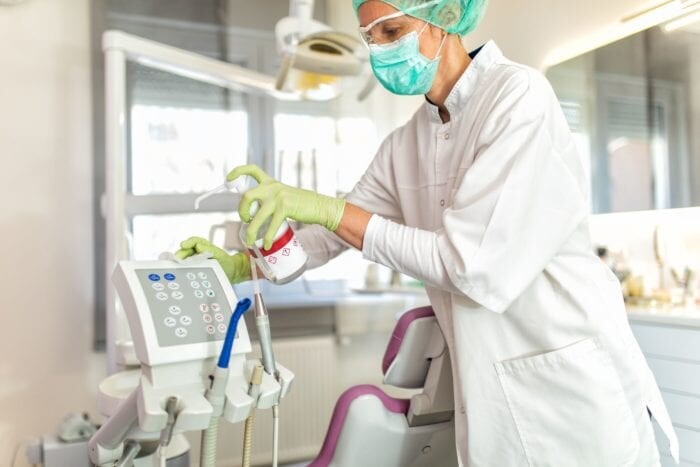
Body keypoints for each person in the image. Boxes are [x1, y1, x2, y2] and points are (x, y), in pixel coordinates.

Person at [177, 0, 679, 465]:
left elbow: (471, 266)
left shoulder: (517, 96)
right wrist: (242, 264)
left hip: (571, 387)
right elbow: (328, 236)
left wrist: (330, 210)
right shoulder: (405, 144)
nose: (379, 51)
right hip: (491, 397)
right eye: (370, 38)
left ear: (446, 17)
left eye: (391, 31)